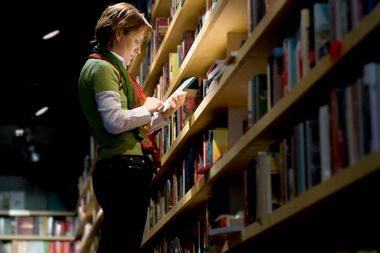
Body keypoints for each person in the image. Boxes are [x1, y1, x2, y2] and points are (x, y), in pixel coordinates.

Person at [77, 2, 186, 253]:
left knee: (121, 243)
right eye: (136, 41)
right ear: (118, 33)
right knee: (121, 245)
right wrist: (147, 107)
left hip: (122, 167)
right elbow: (114, 122)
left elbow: (132, 129)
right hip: (122, 169)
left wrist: (163, 114)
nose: (138, 50)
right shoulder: (102, 67)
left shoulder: (109, 68)